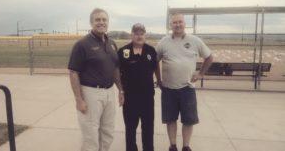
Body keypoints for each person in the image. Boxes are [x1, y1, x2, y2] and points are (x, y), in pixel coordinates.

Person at [68, 8, 124, 151]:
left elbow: (115, 68)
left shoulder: (111, 43)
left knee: (108, 132)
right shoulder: (82, 44)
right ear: (91, 22)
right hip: (91, 93)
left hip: (109, 92)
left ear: (108, 23)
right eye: (97, 20)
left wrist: (121, 90)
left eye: (104, 20)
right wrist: (79, 99)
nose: (101, 23)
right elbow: (73, 72)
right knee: (90, 135)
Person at [156, 13, 213, 151]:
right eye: (174, 22)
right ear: (171, 25)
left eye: (180, 22)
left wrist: (201, 74)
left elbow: (209, 57)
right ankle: (173, 145)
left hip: (187, 88)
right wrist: (159, 80)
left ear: (184, 23)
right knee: (170, 119)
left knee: (188, 120)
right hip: (168, 88)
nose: (178, 25)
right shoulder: (163, 42)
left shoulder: (194, 40)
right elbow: (154, 62)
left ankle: (186, 146)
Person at [118, 23, 160, 151]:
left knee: (148, 127)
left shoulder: (151, 51)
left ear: (145, 35)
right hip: (129, 97)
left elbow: (156, 66)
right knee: (130, 128)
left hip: (147, 96)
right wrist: (120, 90)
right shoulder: (123, 51)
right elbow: (117, 72)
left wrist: (159, 80)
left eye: (141, 33)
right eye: (136, 33)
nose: (139, 36)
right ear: (131, 35)